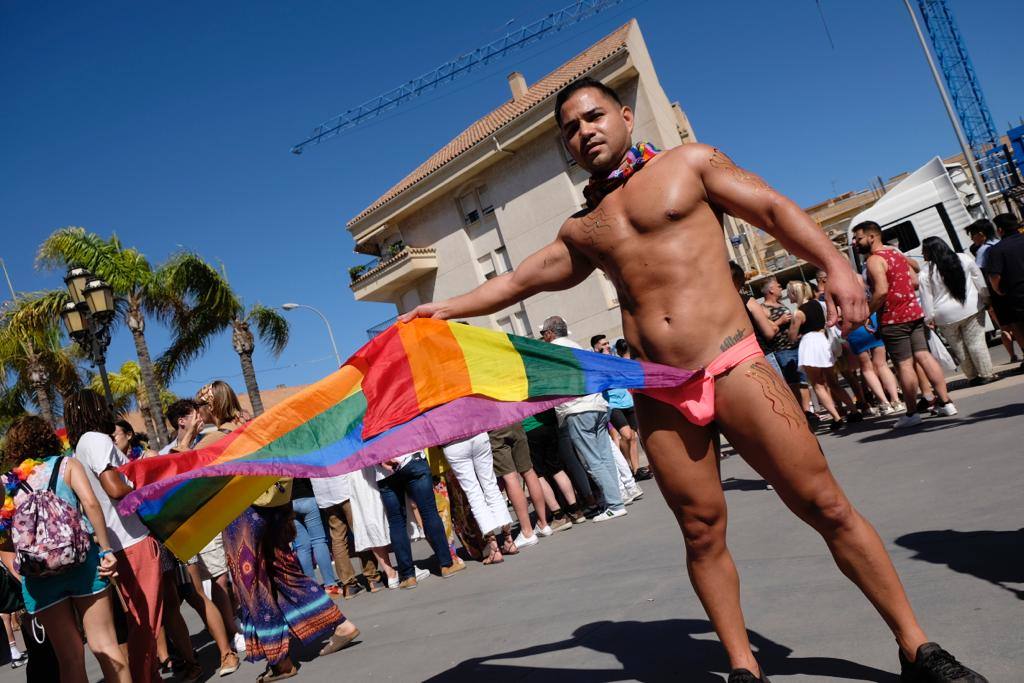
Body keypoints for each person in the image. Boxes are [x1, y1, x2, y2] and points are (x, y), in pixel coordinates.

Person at [400, 77, 985, 681]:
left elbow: (773, 209)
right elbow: (517, 281)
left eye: (593, 116)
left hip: (734, 362)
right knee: (701, 531)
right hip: (661, 391)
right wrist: (441, 310)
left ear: (625, 116)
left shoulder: (691, 163)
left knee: (826, 505)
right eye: (570, 129)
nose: (584, 132)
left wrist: (834, 263)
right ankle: (742, 668)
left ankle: (916, 647)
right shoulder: (583, 229)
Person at [197, 381, 359, 681]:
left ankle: (280, 661)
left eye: (202, 407)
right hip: (273, 510)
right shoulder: (252, 426)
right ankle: (340, 625)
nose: (199, 413)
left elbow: (185, 466)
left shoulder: (214, 438)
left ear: (212, 407)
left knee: (251, 584)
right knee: (287, 573)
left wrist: (185, 437)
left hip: (242, 516)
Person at [64, 389, 187, 682]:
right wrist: (146, 485)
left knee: (138, 618)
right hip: (131, 540)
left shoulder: (80, 447)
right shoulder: (97, 440)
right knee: (146, 622)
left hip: (116, 542)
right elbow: (115, 488)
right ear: (96, 410)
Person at [0, 416, 129, 683]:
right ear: (48, 437)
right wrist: (106, 550)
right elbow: (91, 504)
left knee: (68, 658)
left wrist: (21, 571)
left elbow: (3, 534)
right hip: (82, 563)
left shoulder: (8, 483)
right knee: (106, 646)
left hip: (39, 577)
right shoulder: (67, 464)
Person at [853, 221, 958, 429]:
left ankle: (911, 413)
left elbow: (881, 291)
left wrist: (867, 313)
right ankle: (946, 403)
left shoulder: (875, 260)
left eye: (859, 238)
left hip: (893, 318)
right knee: (924, 356)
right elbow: (915, 281)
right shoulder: (896, 254)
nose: (856, 243)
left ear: (872, 237)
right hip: (913, 313)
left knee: (904, 365)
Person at [162, 398, 246, 658]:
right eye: (195, 415)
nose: (201, 418)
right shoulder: (167, 452)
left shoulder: (210, 438)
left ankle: (232, 631)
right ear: (182, 421)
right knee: (198, 589)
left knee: (220, 578)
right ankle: (222, 633)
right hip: (187, 525)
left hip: (212, 518)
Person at [541, 316, 626, 523]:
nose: (542, 338)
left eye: (543, 333)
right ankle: (616, 499)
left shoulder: (551, 351)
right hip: (597, 405)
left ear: (551, 333)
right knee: (604, 456)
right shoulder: (575, 346)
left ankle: (614, 503)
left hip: (578, 409)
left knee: (592, 460)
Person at [376, 452, 465, 588]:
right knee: (429, 511)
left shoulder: (363, 429)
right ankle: (446, 564)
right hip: (412, 459)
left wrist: (381, 459)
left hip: (384, 471)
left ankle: (408, 575)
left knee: (396, 521)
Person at [919, 237, 995, 386]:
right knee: (976, 342)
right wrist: (987, 299)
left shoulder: (925, 273)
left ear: (931, 252)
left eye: (924, 250)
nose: (922, 253)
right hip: (971, 307)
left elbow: (926, 299)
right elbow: (978, 280)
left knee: (958, 346)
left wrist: (929, 319)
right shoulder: (964, 258)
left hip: (945, 316)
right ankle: (986, 373)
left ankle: (972, 377)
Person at [788, 281, 859, 431]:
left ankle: (836, 417)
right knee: (833, 382)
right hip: (823, 341)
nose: (788, 296)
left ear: (795, 294)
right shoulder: (817, 304)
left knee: (818, 384)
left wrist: (794, 330)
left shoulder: (798, 312)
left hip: (810, 344)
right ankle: (853, 410)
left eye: (790, 293)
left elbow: (792, 336)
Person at [442, 434, 514, 564]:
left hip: (453, 443)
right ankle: (509, 540)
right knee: (491, 486)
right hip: (477, 433)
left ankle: (494, 547)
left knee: (474, 494)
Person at [312, 473, 385, 599]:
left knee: (338, 538)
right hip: (344, 488)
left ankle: (349, 585)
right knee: (359, 531)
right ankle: (373, 578)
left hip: (324, 493)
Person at [593, 334, 650, 484]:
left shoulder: (615, 359)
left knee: (633, 436)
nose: (607, 346)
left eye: (607, 344)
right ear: (596, 348)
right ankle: (627, 464)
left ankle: (636, 470)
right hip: (613, 404)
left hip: (627, 401)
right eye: (603, 345)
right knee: (626, 435)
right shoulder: (596, 364)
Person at [967, 217, 1021, 363]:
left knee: (1009, 325)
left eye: (973, 235)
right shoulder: (1000, 243)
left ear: (981, 234)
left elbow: (982, 274)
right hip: (1012, 288)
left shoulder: (984, 250)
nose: (972, 239)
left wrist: (989, 296)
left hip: (999, 292)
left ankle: (1014, 355)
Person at [487, 424, 547, 549]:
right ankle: (543, 524)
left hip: (494, 428)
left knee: (510, 477)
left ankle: (527, 531)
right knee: (528, 471)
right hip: (513, 420)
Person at [290, 477, 341, 597]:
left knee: (302, 547)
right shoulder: (298, 457)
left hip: (289, 504)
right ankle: (331, 585)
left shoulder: (273, 461)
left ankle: (312, 589)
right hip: (308, 497)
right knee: (319, 541)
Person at [845, 312, 903, 414]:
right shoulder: (863, 295)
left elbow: (838, 314)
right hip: (872, 321)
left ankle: (885, 403)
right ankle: (896, 401)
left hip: (853, 325)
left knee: (867, 368)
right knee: (882, 364)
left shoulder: (834, 295)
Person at [985, 212, 1024, 365]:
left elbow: (995, 276)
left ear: (1000, 230)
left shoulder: (997, 250)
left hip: (1017, 294)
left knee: (1018, 326)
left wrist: (997, 289)